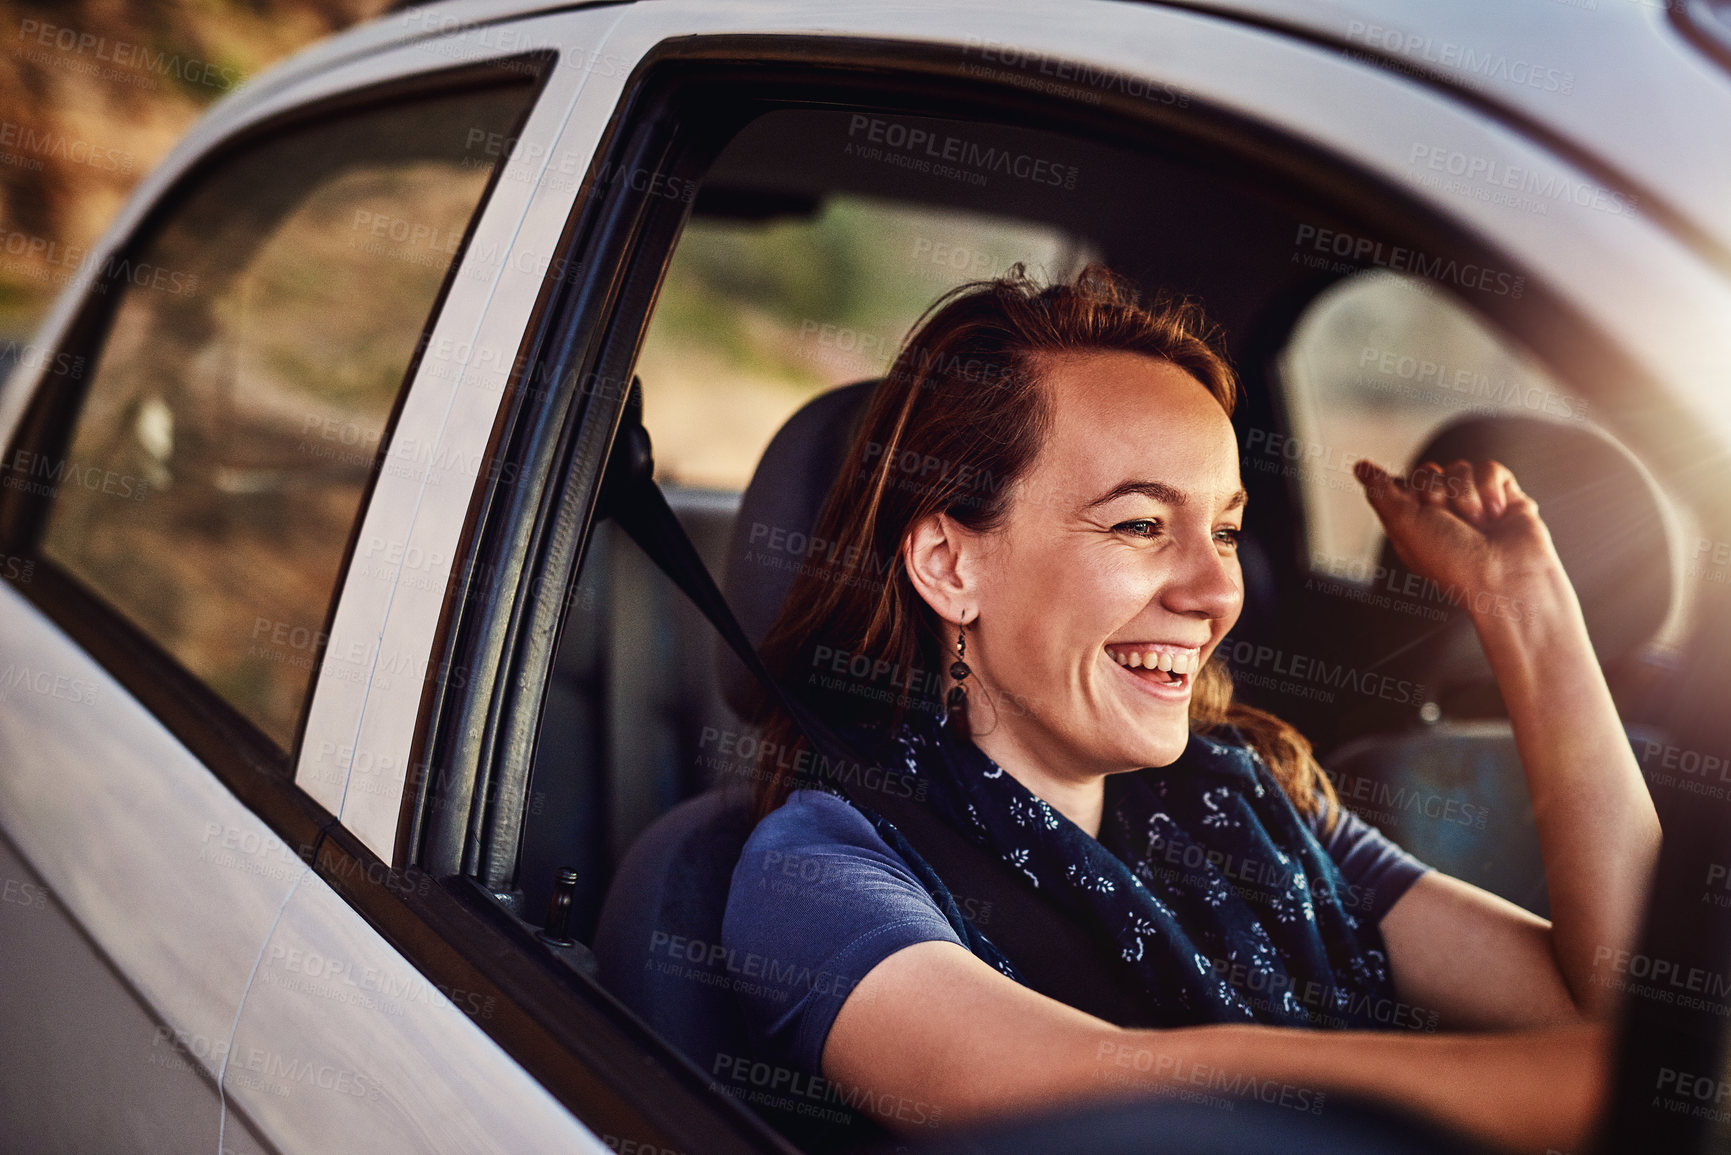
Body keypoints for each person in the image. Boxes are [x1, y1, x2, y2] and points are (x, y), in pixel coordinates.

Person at [720, 264, 1659, 1152]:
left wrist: (1523, 605)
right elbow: (1088, 1094)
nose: (1218, 589)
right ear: (950, 564)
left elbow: (1619, 998)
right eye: (1139, 524)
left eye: (1225, 530)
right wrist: (1599, 1087)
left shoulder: (1251, 802)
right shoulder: (816, 875)